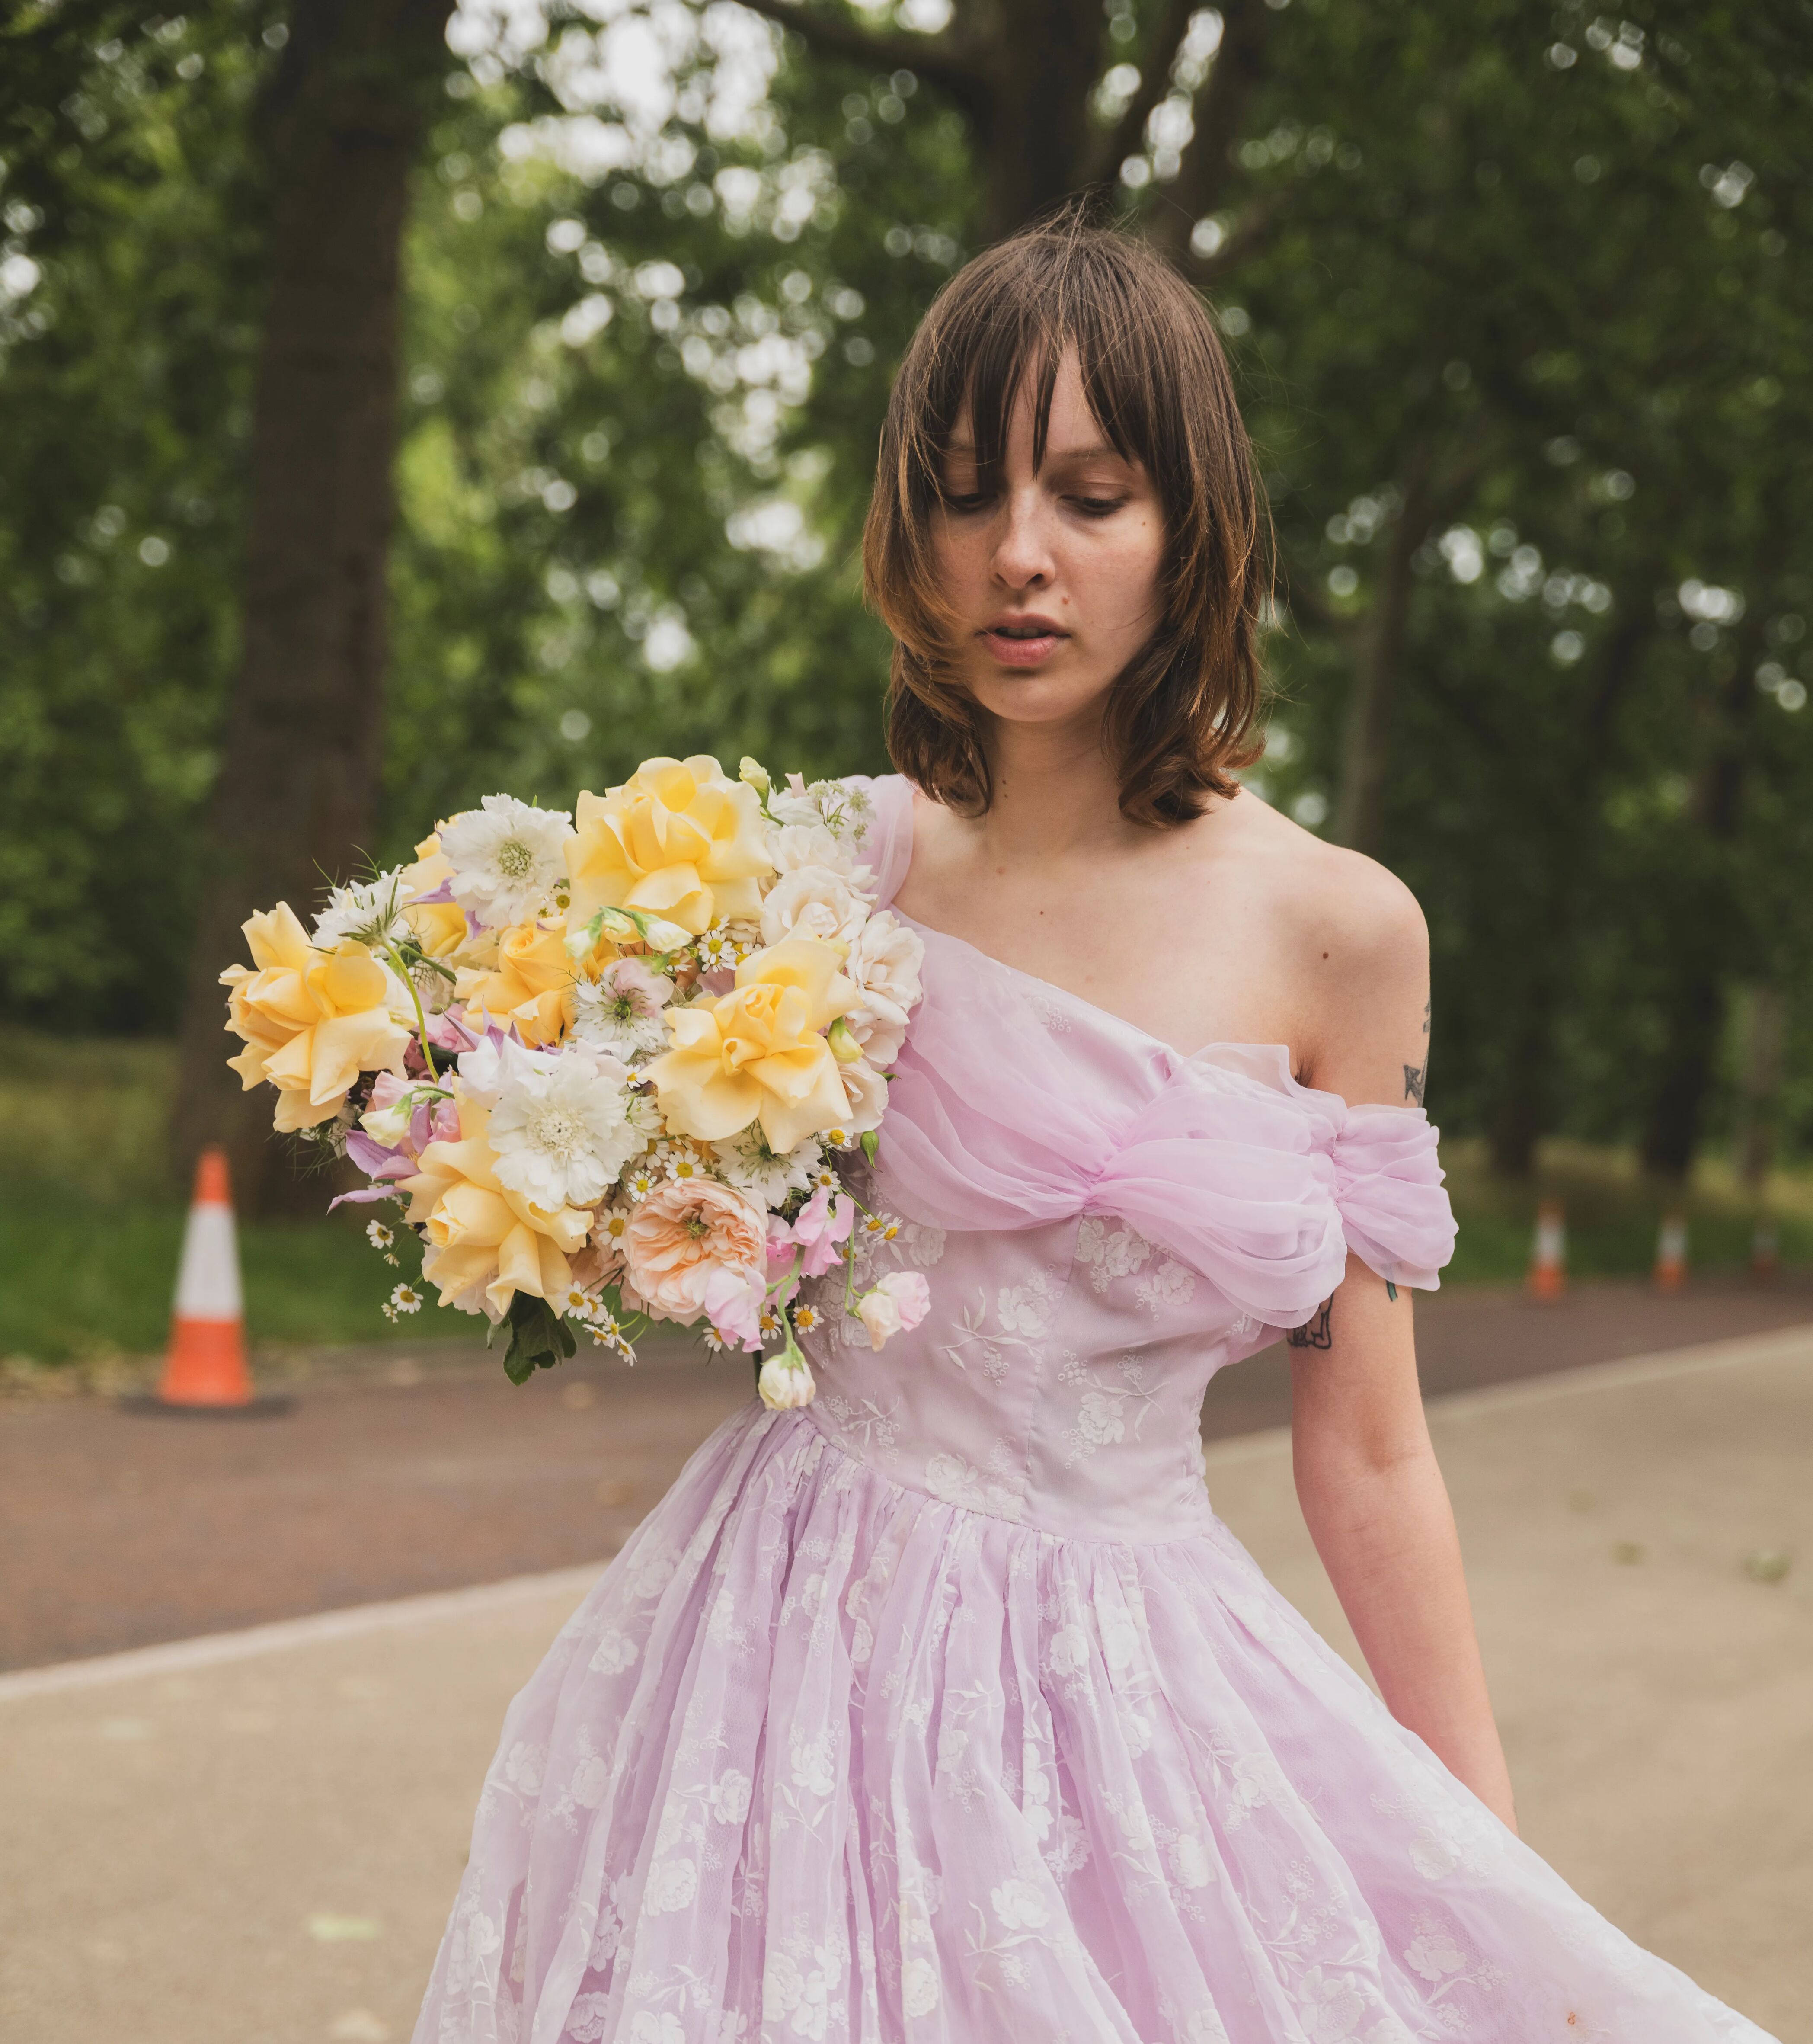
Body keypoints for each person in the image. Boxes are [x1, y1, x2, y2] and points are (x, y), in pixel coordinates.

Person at [413, 219, 1775, 2043]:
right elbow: (588, 1121)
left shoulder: (1338, 932)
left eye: (1091, 496)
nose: (1018, 559)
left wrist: (1479, 1854)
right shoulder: (818, 872)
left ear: (1188, 531)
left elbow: (1365, 1446)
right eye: (964, 497)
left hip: (1116, 1688)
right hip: (771, 1648)